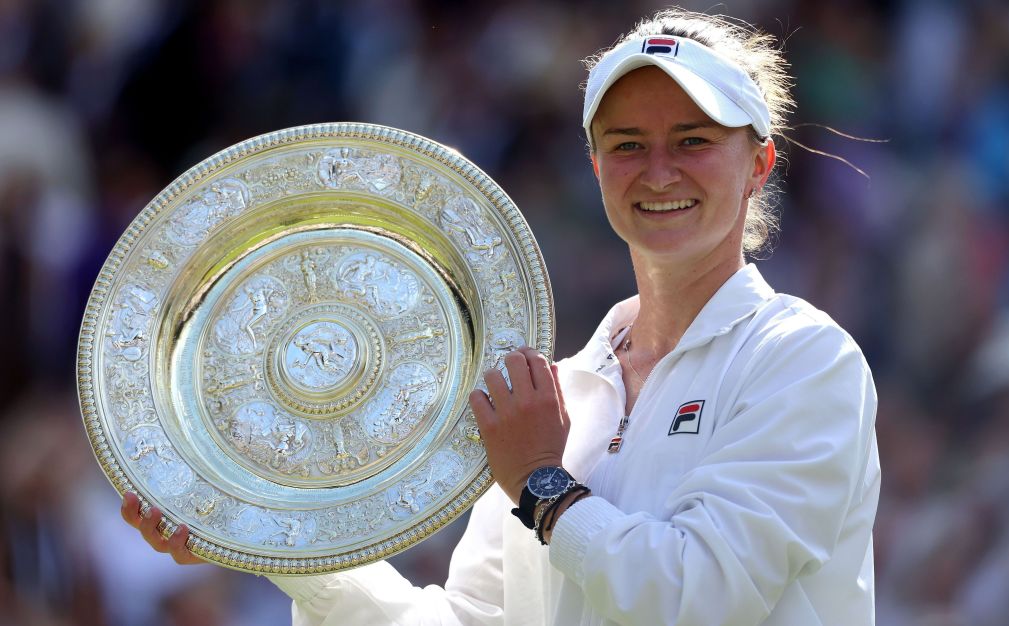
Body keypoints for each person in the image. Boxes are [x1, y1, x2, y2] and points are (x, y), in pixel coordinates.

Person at [122, 8, 879, 625]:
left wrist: (543, 488)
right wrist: (262, 535)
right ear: (594, 166)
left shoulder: (806, 360)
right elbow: (471, 620)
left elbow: (697, 597)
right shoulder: (553, 392)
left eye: (693, 142)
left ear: (758, 164)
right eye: (626, 145)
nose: (657, 172)